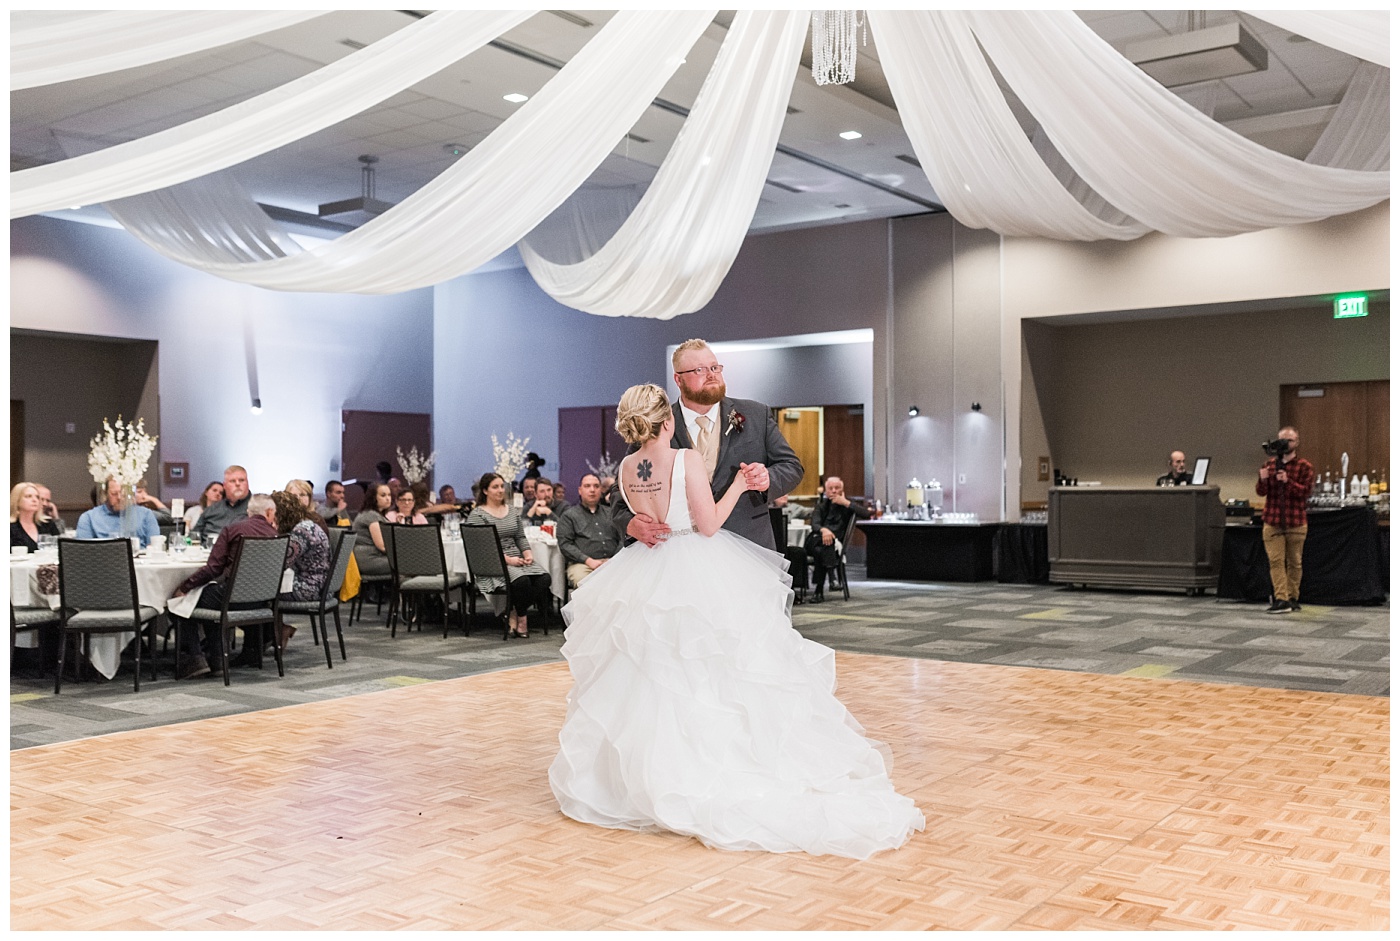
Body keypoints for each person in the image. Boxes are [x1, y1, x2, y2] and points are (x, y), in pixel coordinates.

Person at [550, 384, 923, 858]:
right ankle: (705, 773)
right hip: (695, 565)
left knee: (656, 674)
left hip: (648, 569)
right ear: (667, 419)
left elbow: (641, 516)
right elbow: (708, 524)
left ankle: (645, 781)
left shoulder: (625, 468)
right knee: (715, 673)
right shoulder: (684, 459)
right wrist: (740, 487)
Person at [612, 338, 803, 550]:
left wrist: (768, 479)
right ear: (678, 379)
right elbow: (620, 488)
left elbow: (792, 467)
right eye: (700, 370)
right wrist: (629, 524)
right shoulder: (657, 421)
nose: (712, 374)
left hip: (748, 544)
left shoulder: (755, 414)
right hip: (680, 553)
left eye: (715, 367)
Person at [170, 493, 281, 677]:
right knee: (209, 598)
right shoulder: (276, 536)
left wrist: (184, 587)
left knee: (180, 603)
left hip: (231, 598)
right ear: (270, 512)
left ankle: (196, 659)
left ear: (248, 511)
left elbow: (213, 569)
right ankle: (217, 660)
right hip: (262, 602)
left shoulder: (233, 529)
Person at [465, 472, 552, 638]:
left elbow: (520, 536)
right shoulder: (478, 515)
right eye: (495, 487)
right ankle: (522, 617)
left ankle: (513, 610)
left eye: (501, 486)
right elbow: (484, 547)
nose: (500, 490)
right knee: (522, 582)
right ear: (485, 491)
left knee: (544, 579)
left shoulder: (511, 511)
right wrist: (509, 560)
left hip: (516, 556)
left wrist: (528, 554)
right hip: (494, 561)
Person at [1256, 426, 1314, 613]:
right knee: (1276, 561)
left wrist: (1288, 481)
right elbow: (1260, 492)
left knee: (1295, 562)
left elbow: (1305, 493)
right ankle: (1281, 598)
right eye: (1282, 440)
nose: (1285, 444)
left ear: (1296, 442)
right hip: (1272, 520)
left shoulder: (1304, 466)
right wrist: (1262, 480)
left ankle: (1292, 597)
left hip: (1295, 521)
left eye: (1289, 440)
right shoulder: (1269, 465)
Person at [804, 476, 870, 603]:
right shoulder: (821, 506)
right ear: (826, 491)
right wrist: (825, 530)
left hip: (832, 547)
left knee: (822, 550)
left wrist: (845, 502)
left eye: (837, 488)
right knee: (823, 543)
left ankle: (818, 591)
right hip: (814, 540)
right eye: (831, 488)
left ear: (842, 490)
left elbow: (866, 514)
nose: (834, 491)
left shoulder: (847, 506)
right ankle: (832, 577)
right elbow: (815, 525)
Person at [556, 474, 622, 588]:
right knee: (586, 585)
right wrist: (588, 561)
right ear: (580, 490)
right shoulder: (569, 516)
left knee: (628, 582)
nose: (592, 490)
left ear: (601, 490)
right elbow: (565, 545)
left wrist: (614, 560)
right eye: (587, 486)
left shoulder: (612, 513)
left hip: (613, 562)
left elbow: (623, 538)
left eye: (596, 486)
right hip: (583, 564)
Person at [271, 490, 331, 604]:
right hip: (320, 585)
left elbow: (281, 564)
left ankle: (265, 621)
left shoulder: (301, 531)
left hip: (309, 588)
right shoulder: (306, 525)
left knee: (261, 591)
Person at [75, 477, 160, 547]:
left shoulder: (146, 515)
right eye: (114, 493)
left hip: (140, 565)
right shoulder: (89, 518)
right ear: (106, 494)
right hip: (103, 564)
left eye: (123, 493)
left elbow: (155, 549)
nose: (119, 497)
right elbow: (83, 552)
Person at [191, 465, 251, 540]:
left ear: (247, 483)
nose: (237, 484)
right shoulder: (211, 509)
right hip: (208, 549)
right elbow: (193, 536)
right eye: (232, 481)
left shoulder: (258, 508)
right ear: (225, 486)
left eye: (242, 480)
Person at [351, 483, 394, 576]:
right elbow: (382, 546)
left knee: (409, 562)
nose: (388, 498)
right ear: (373, 498)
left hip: (376, 557)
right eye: (383, 495)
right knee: (409, 564)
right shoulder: (371, 515)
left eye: (389, 495)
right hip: (370, 559)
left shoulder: (376, 514)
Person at [10, 482, 61, 552]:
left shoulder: (47, 524)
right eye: (28, 496)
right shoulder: (10, 527)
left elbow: (60, 549)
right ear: (17, 501)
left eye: (37, 497)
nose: (34, 500)